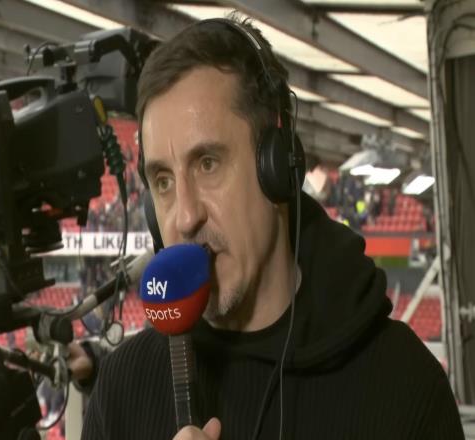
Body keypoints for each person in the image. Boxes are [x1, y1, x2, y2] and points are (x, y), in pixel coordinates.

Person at [81, 16, 464, 440]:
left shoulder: (405, 387)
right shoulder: (121, 388)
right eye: (164, 181)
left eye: (207, 164)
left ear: (278, 167)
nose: (186, 218)